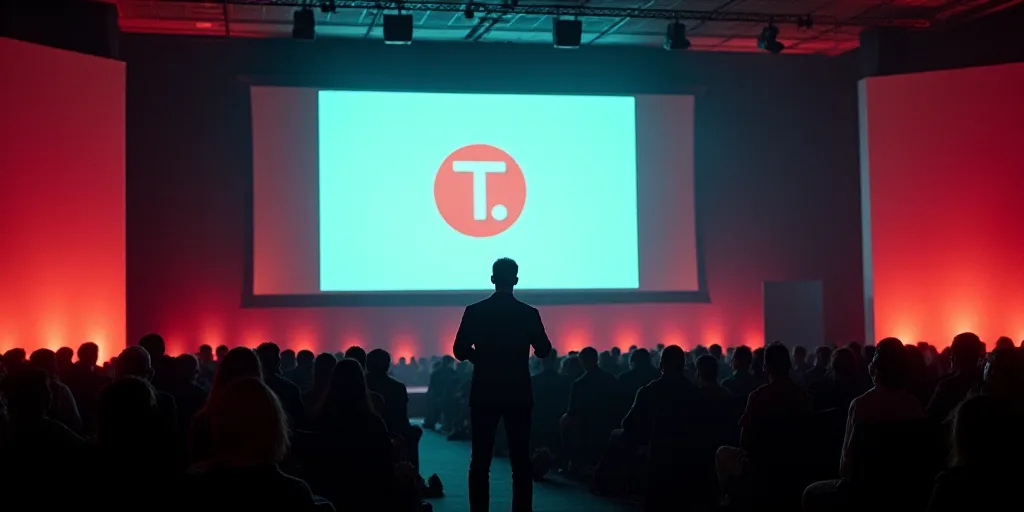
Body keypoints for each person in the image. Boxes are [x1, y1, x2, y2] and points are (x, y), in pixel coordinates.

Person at [453, 257, 553, 512]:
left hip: (484, 390)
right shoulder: (529, 313)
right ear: (516, 280)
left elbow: (459, 350)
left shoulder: (474, 311)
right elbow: (543, 350)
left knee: (480, 461)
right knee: (520, 461)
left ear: (492, 279)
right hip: (518, 391)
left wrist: (482, 360)